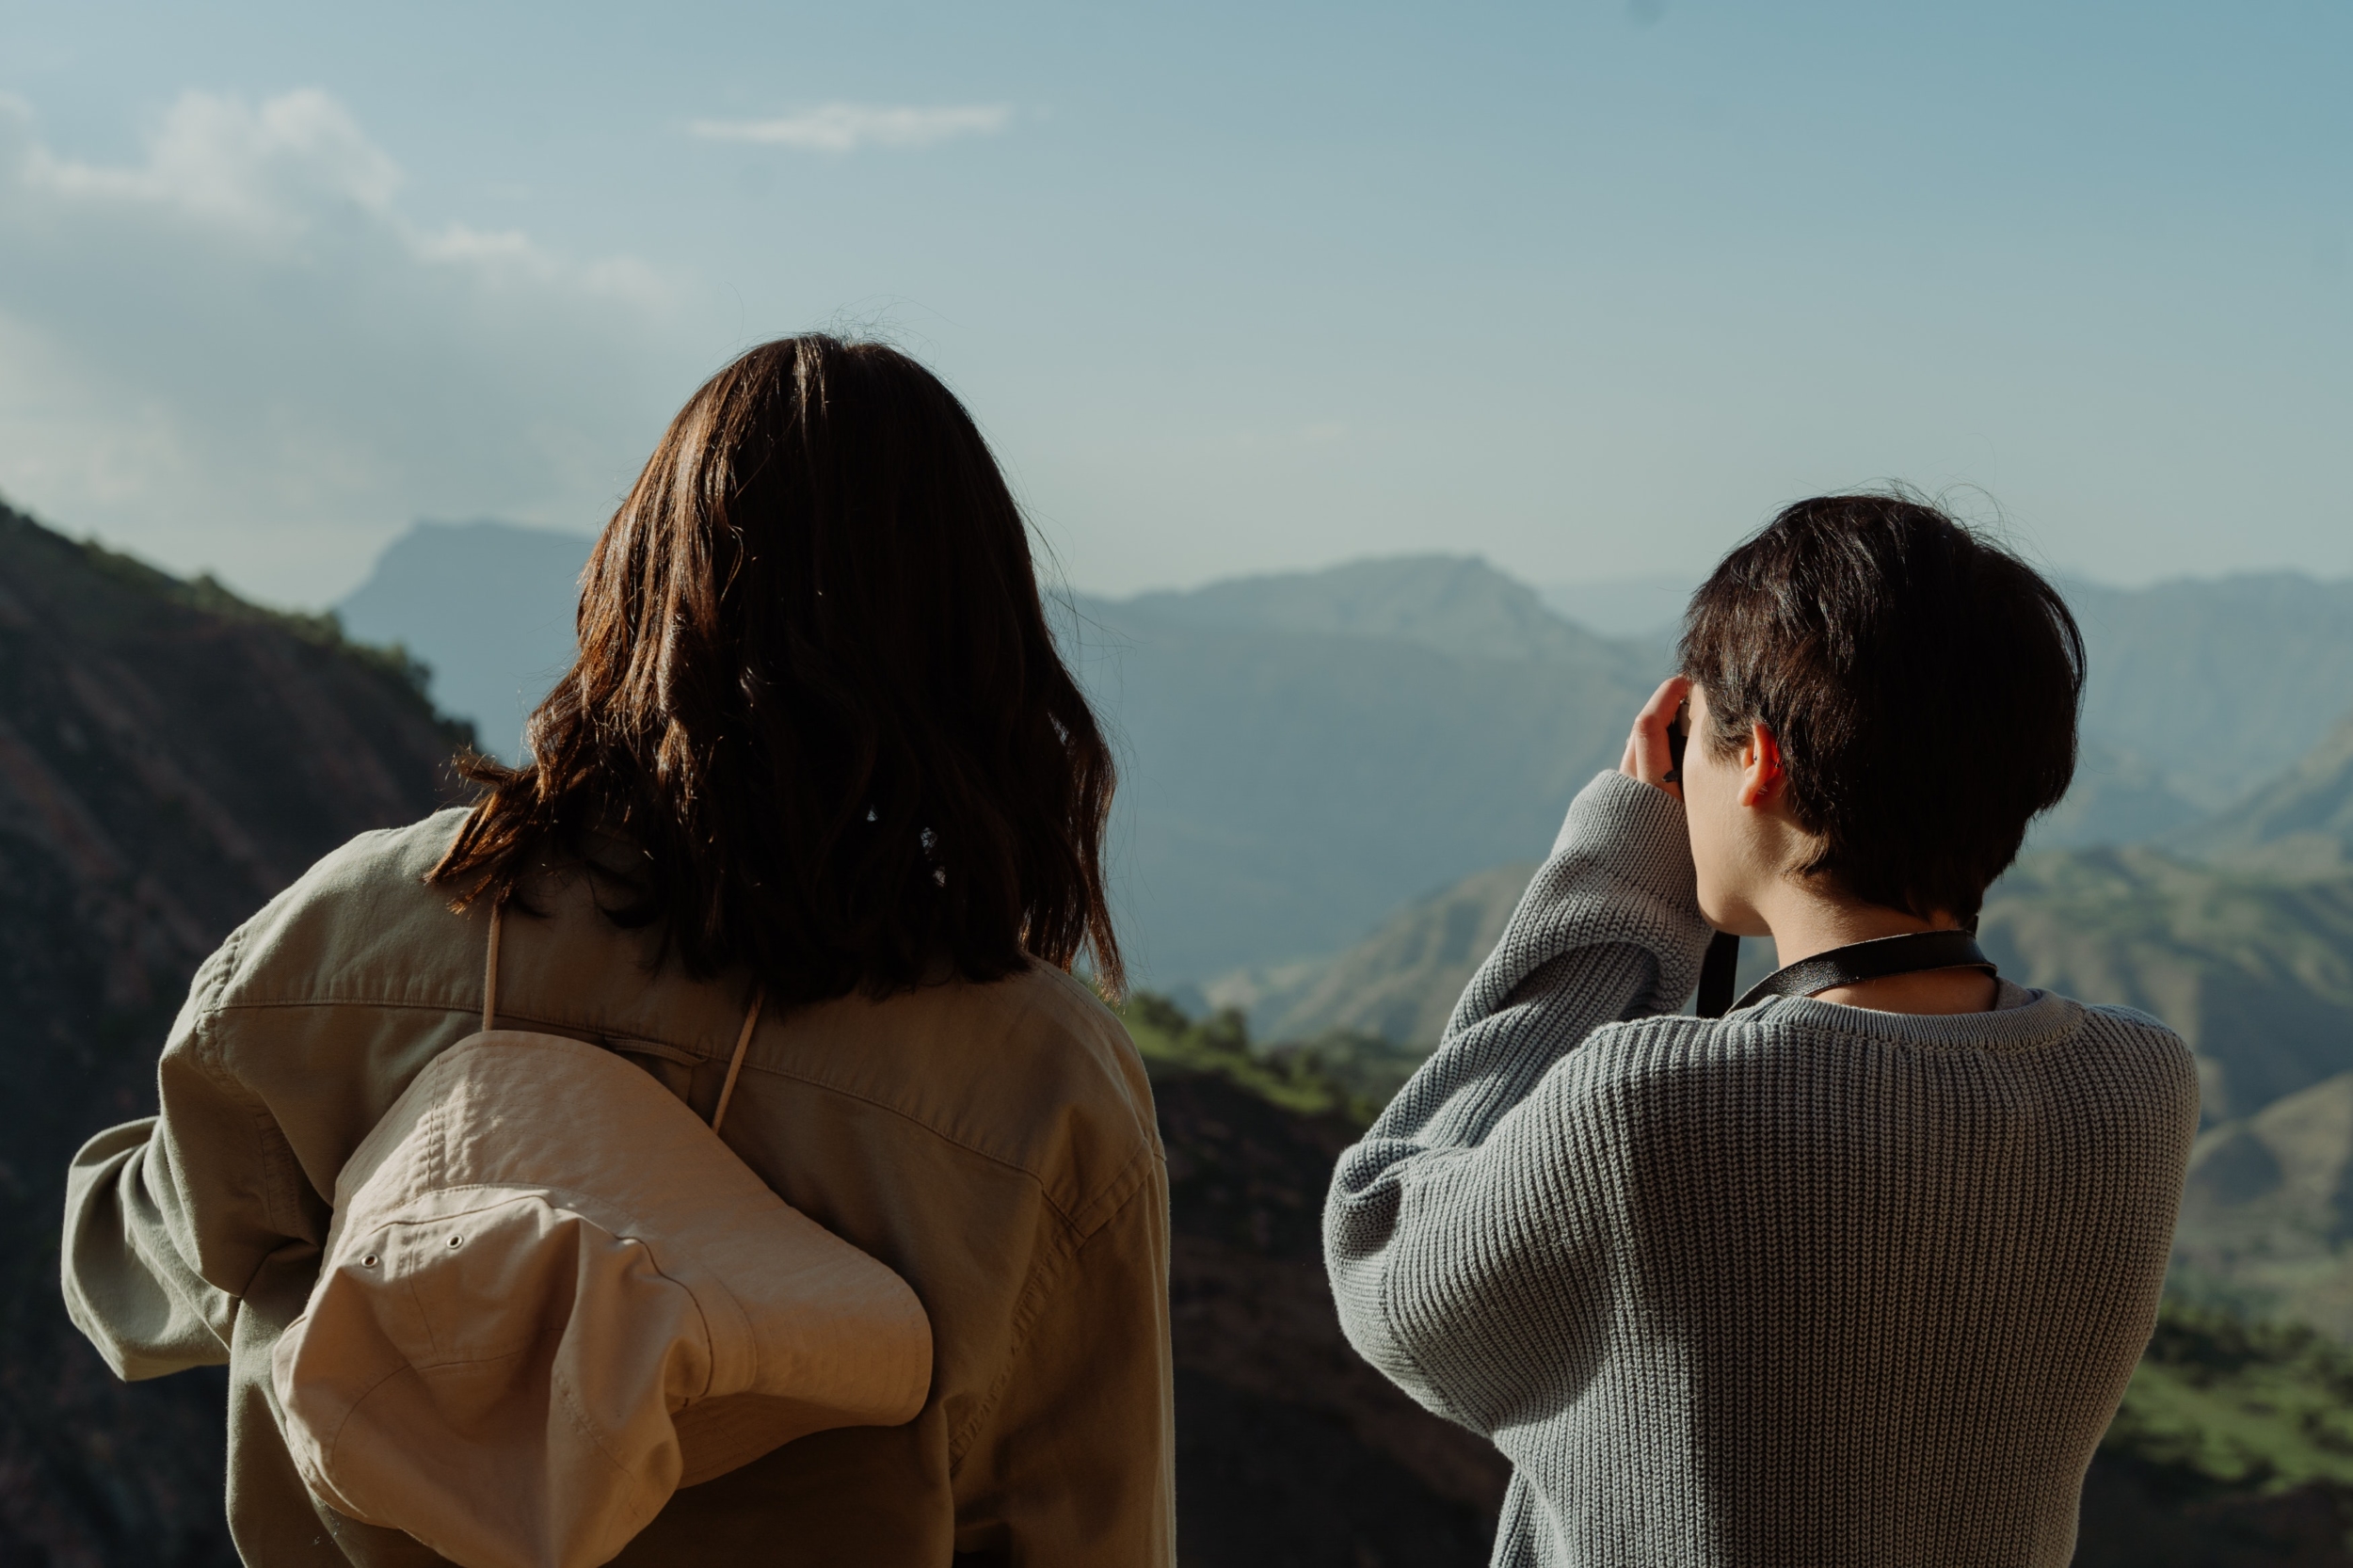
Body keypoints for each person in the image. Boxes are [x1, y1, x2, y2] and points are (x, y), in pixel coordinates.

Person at [60, 336, 1175, 1567]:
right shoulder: (1040, 1082)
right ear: (981, 647)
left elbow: (129, 1275)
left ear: (637, 582)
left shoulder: (351, 936)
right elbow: (1091, 1529)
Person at [1322, 493, 2198, 1566]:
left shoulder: (1646, 1104)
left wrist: (1618, 875)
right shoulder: (2139, 1084)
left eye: (1701, 745)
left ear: (1760, 760)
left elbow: (1380, 1251)